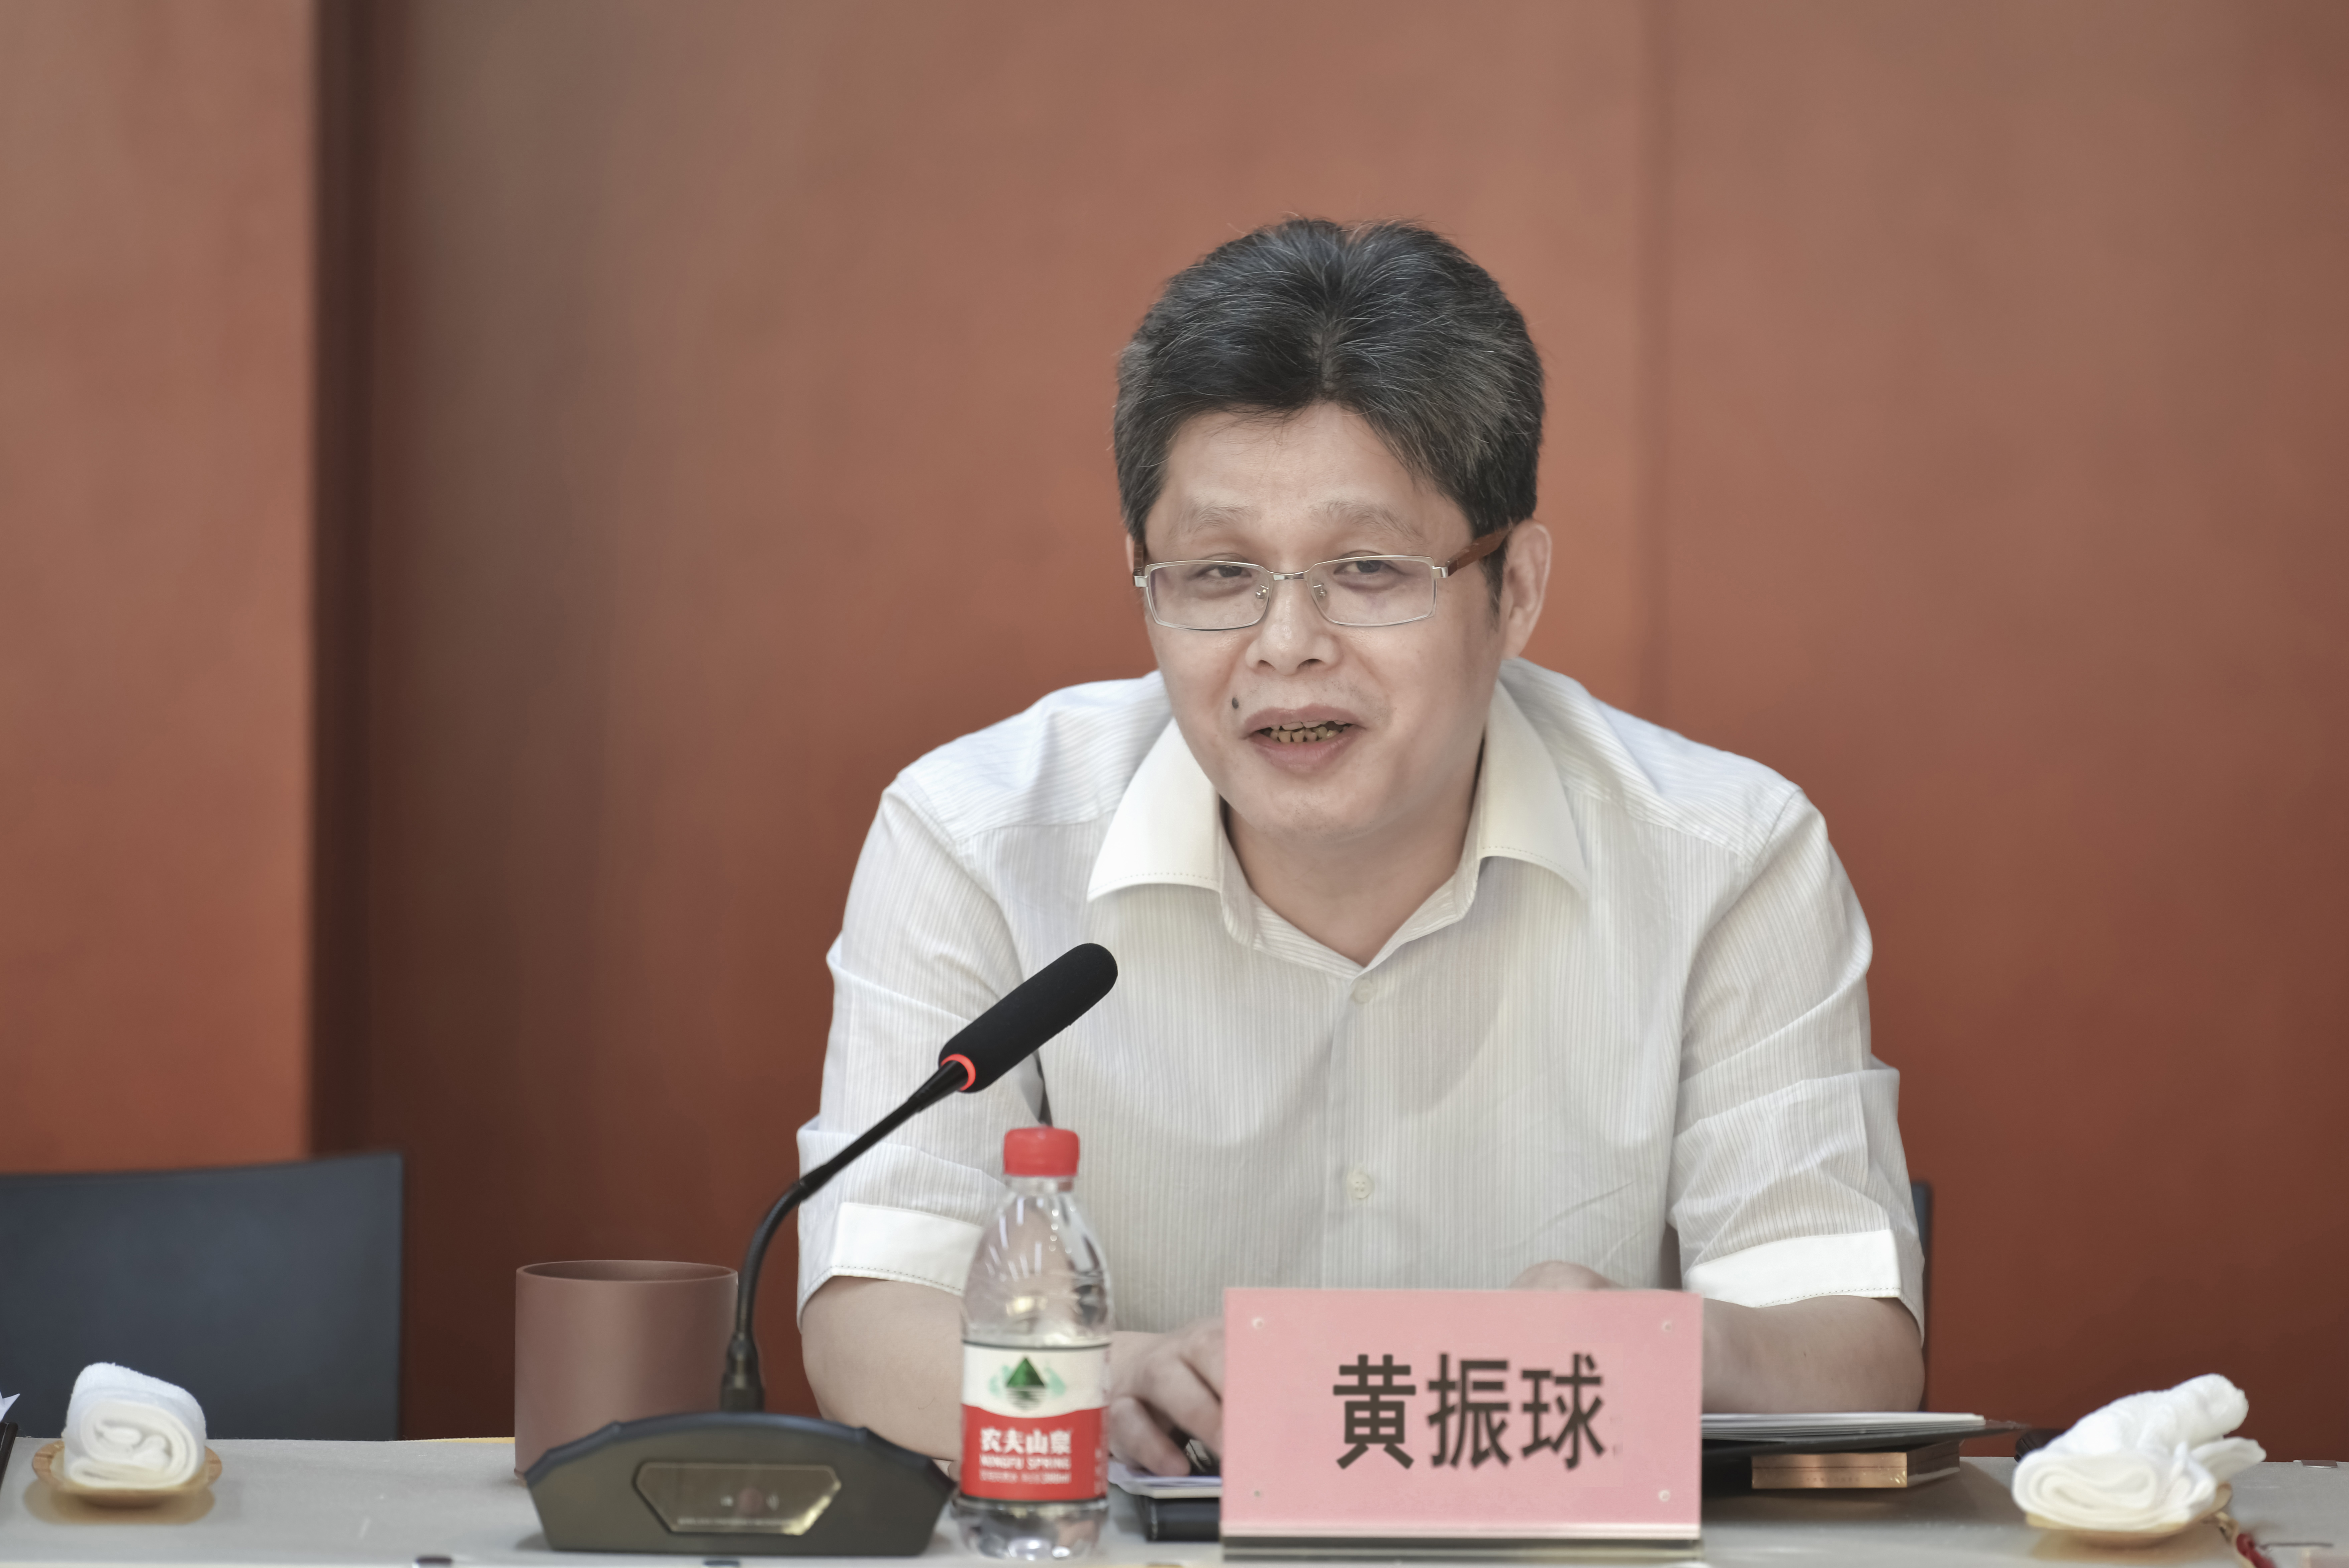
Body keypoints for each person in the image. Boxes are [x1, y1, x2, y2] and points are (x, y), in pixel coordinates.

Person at [796, 219, 1924, 1474]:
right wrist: (1113, 1381)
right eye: (1218, 573)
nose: (1287, 645)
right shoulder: (977, 840)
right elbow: (868, 1320)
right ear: (1143, 580)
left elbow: (1855, 1351)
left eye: (1370, 569)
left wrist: (1658, 1348)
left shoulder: (1726, 859)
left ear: (1516, 589)